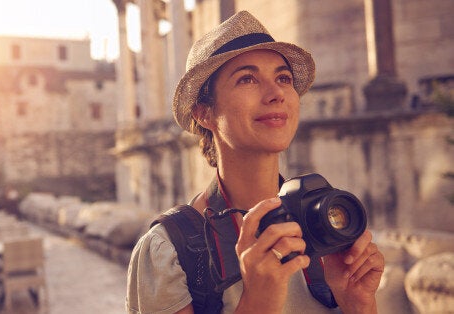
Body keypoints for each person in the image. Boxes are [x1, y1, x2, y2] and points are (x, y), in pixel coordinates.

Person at [126, 10, 384, 314]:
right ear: (203, 113)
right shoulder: (170, 250)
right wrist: (257, 301)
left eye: (283, 78)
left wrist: (358, 304)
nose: (276, 93)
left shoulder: (327, 222)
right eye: (247, 79)